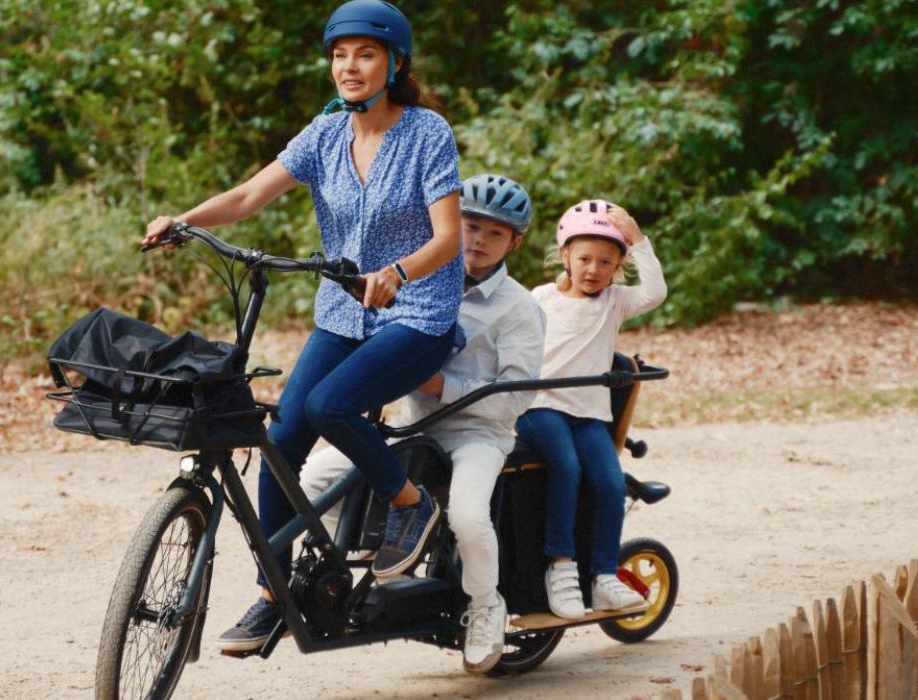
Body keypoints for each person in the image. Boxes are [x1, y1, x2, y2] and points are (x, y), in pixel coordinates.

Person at [139, 0, 465, 653]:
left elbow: (449, 237)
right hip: (345, 311)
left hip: (417, 310)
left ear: (394, 62)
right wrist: (184, 219)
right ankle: (272, 593)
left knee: (329, 405)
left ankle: (411, 504)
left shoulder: (427, 133)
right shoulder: (322, 137)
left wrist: (398, 272)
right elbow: (247, 196)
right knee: (281, 438)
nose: (350, 66)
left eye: (365, 54)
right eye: (340, 55)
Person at [295, 174, 544, 672]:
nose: (477, 240)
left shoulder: (519, 308)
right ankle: (366, 561)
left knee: (470, 516)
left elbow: (515, 399)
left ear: (514, 242)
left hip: (476, 432)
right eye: (470, 226)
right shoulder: (421, 279)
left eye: (494, 233)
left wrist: (440, 387)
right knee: (314, 479)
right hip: (414, 425)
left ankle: (485, 606)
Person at [515, 199, 668, 620]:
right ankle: (560, 567)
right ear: (564, 255)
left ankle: (602, 576)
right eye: (584, 258)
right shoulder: (542, 297)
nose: (593, 270)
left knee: (610, 483)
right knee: (566, 467)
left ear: (618, 266)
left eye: (606, 262)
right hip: (541, 405)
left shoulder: (614, 301)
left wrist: (637, 241)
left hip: (588, 412)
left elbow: (656, 292)